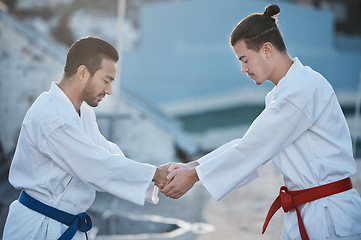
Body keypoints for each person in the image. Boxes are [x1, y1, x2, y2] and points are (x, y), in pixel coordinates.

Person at [161, 4, 361, 240]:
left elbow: (254, 147)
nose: (243, 69)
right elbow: (253, 146)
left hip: (327, 216)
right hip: (309, 212)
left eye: (245, 59)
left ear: (267, 49)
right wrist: (193, 167)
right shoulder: (285, 92)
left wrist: (196, 174)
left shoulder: (302, 88)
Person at [3, 37, 169, 240]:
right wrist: (154, 174)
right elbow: (96, 165)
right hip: (40, 228)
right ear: (83, 72)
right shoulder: (50, 115)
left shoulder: (83, 112)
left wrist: (158, 173)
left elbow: (107, 153)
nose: (109, 90)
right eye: (106, 81)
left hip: (66, 224)